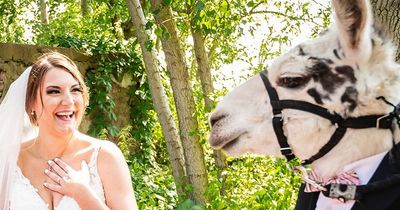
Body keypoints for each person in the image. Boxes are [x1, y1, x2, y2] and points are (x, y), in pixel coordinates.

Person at [0, 52, 138, 210]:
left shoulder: (105, 156)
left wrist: (82, 194)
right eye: (54, 91)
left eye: (75, 90)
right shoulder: (9, 159)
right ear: (31, 102)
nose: (69, 101)